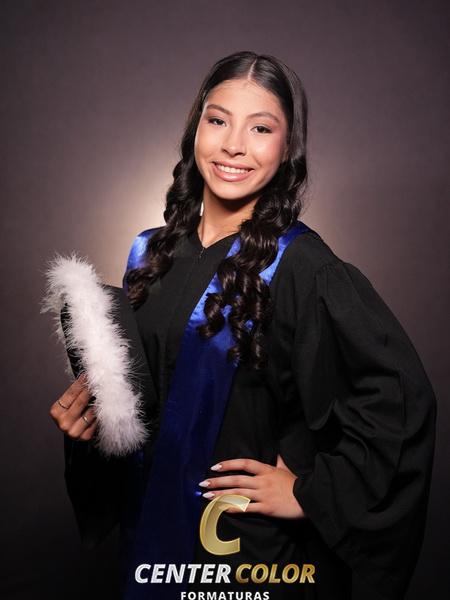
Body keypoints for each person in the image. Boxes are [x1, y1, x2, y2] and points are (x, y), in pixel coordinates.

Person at [49, 51, 437, 600]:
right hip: (153, 550)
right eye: (218, 120)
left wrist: (310, 491)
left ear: (286, 147)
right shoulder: (151, 256)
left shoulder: (301, 265)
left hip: (252, 557)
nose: (234, 145)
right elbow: (148, 415)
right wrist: (94, 427)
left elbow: (399, 398)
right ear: (196, 129)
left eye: (261, 128)